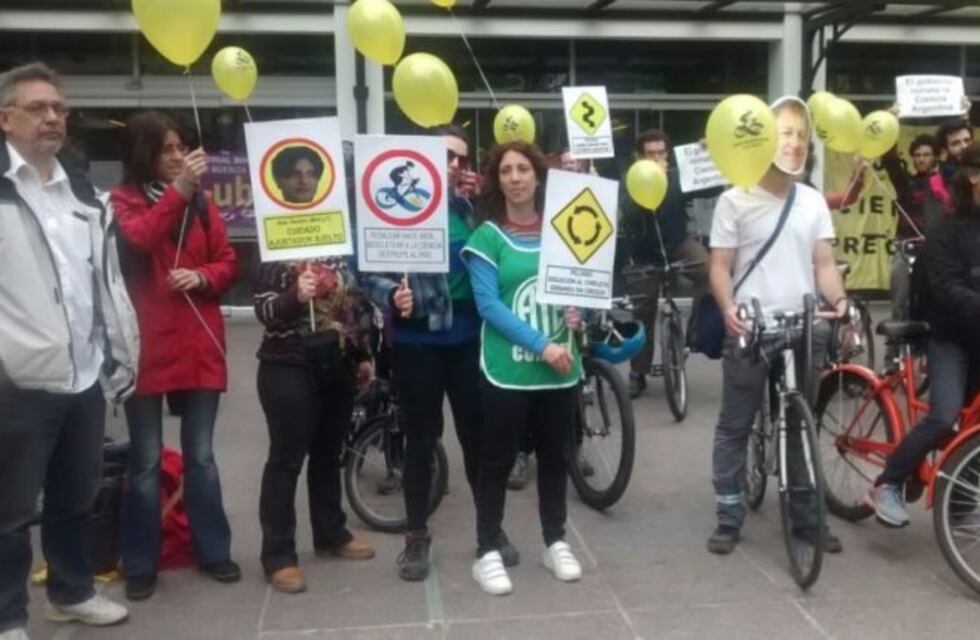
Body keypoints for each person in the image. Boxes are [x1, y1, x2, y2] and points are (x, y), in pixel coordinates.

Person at [0, 62, 136, 638]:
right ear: (5, 119)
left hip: (84, 374)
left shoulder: (83, 188)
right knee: (8, 513)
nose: (52, 117)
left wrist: (118, 351)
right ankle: (7, 617)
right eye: (37, 108)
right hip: (18, 381)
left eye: (58, 108)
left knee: (73, 497)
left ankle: (71, 592)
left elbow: (100, 281)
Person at [364, 124, 505, 581]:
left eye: (462, 158)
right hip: (417, 343)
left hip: (468, 340)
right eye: (447, 156)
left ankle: (490, 531)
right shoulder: (392, 207)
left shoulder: (469, 210)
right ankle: (416, 537)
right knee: (420, 440)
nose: (455, 166)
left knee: (477, 437)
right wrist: (391, 295)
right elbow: (364, 269)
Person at [706, 97, 847, 555]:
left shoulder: (811, 201)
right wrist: (728, 307)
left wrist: (840, 301)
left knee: (800, 424)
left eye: (800, 135)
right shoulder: (735, 199)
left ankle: (806, 518)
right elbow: (720, 267)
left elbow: (823, 263)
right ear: (765, 138)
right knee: (735, 423)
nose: (793, 143)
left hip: (804, 324)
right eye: (785, 133)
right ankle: (729, 515)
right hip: (752, 325)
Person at [110, 110, 241, 601]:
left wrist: (204, 276)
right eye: (166, 148)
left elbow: (229, 261)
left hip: (199, 341)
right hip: (145, 347)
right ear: (144, 152)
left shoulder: (204, 205)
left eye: (180, 147)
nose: (176, 156)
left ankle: (214, 550)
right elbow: (141, 238)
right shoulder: (119, 202)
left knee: (201, 456)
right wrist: (180, 190)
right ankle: (142, 560)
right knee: (144, 461)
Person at [463, 141, 584, 595]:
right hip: (506, 371)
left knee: (555, 458)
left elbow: (578, 287)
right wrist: (541, 344)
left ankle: (555, 541)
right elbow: (489, 305)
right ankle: (487, 550)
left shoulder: (565, 231)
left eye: (523, 169)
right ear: (498, 181)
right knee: (495, 461)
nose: (515, 178)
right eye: (506, 171)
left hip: (559, 368)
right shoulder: (487, 238)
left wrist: (578, 314)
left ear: (538, 175)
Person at [865, 142, 980, 527]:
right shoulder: (946, 228)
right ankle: (888, 483)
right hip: (950, 336)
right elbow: (948, 289)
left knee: (972, 427)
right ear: (973, 176)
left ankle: (960, 504)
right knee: (945, 418)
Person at [253, 254, 376, 594]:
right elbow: (264, 311)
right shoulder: (275, 256)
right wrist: (296, 296)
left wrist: (362, 355)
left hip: (336, 364)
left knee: (328, 453)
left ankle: (330, 532)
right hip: (288, 367)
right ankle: (278, 555)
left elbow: (354, 305)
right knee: (286, 460)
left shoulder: (337, 251)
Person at [620, 130, 715, 397]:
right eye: (651, 154)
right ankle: (638, 372)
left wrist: (709, 154)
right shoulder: (630, 182)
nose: (658, 159)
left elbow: (714, 184)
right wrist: (648, 187)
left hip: (677, 245)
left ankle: (693, 335)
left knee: (711, 272)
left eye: (662, 153)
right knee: (643, 310)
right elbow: (625, 213)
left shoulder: (678, 179)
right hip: (644, 255)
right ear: (639, 157)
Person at [881, 134, 943, 320]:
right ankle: (896, 343)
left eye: (926, 154)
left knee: (940, 300)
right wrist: (889, 122)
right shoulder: (905, 182)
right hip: (906, 249)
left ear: (936, 156)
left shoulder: (946, 182)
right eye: (917, 155)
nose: (921, 159)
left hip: (937, 251)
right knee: (899, 299)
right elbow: (890, 161)